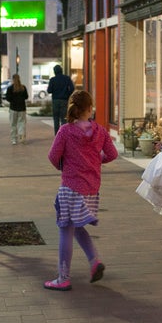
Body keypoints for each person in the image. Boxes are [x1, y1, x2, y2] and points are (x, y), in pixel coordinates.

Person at [45, 90, 118, 291]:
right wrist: (95, 160)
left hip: (70, 186)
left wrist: (65, 166)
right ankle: (94, 261)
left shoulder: (66, 131)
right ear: (89, 108)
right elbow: (112, 154)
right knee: (77, 227)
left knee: (66, 228)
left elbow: (53, 156)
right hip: (91, 189)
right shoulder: (101, 131)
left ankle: (63, 278)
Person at [47, 64, 75, 135]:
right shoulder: (67, 78)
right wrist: (67, 94)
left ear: (54, 72)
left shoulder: (52, 80)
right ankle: (63, 134)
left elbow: (49, 90)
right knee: (64, 118)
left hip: (55, 100)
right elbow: (72, 88)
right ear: (61, 71)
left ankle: (57, 134)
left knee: (56, 118)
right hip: (64, 100)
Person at [4, 74, 28, 145]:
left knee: (13, 124)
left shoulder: (10, 88)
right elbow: (26, 97)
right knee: (22, 124)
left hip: (13, 109)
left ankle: (14, 139)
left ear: (13, 79)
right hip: (22, 108)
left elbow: (8, 98)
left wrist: (13, 100)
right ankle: (21, 139)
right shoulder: (23, 88)